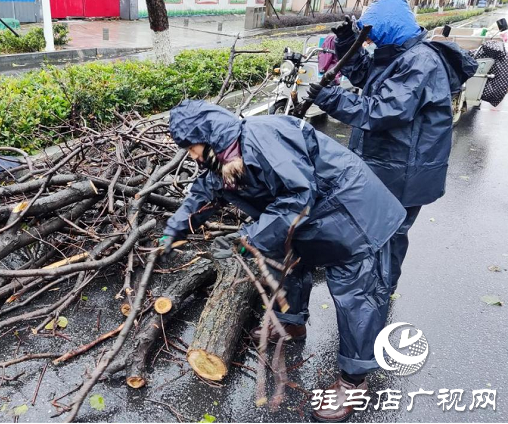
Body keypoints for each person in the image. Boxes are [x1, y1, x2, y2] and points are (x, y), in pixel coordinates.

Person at [161, 100, 406, 422]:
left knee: (357, 297)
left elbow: (297, 196)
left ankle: (353, 380)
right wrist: (175, 228)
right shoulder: (225, 156)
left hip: (352, 217)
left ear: (208, 137)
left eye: (191, 147)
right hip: (310, 222)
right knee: (288, 263)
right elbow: (204, 193)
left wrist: (252, 238)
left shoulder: (264, 138)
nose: (191, 156)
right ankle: (291, 322)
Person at [306, 0, 475, 292]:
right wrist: (349, 41)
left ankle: (380, 294)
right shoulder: (400, 54)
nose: (369, 40)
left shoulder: (420, 61)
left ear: (388, 28)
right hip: (393, 164)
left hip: (407, 170)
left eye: (372, 33)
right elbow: (367, 76)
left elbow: (384, 110)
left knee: (390, 234)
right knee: (377, 230)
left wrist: (333, 100)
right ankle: (373, 290)